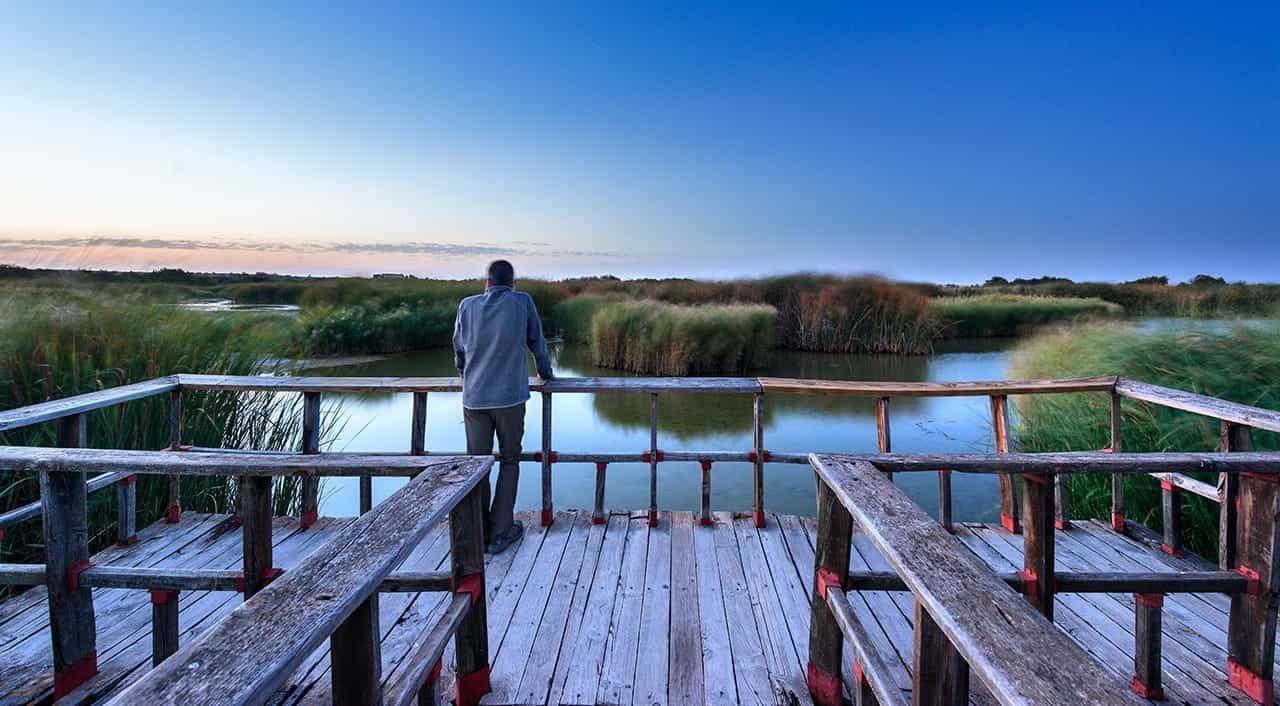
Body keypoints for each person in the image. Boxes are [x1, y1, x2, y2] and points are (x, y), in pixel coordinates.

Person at [453, 259, 554, 554]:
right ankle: (500, 532)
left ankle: (477, 531)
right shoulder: (522, 302)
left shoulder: (466, 305)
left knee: (478, 465)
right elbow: (537, 344)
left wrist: (466, 376)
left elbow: (459, 349)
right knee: (509, 460)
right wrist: (546, 375)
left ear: (486, 282)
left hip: (474, 399)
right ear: (512, 283)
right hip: (509, 399)